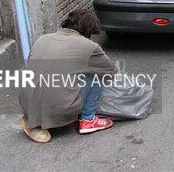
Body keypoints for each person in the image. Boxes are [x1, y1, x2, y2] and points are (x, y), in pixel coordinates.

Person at [19, 10, 115, 143]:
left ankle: (34, 120)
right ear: (88, 31)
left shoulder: (42, 38)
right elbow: (110, 70)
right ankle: (88, 119)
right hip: (61, 110)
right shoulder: (89, 46)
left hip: (26, 105)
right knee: (97, 73)